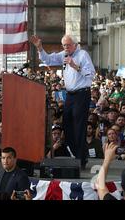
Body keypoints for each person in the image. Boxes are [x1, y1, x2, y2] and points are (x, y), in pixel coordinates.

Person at [30, 34, 95, 168]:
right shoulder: (64, 54)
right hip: (70, 95)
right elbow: (48, 60)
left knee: (79, 126)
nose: (65, 48)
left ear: (75, 45)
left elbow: (90, 74)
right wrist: (40, 48)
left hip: (81, 94)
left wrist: (74, 65)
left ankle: (81, 158)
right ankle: (77, 154)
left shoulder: (83, 55)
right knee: (67, 124)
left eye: (68, 45)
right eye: (64, 45)